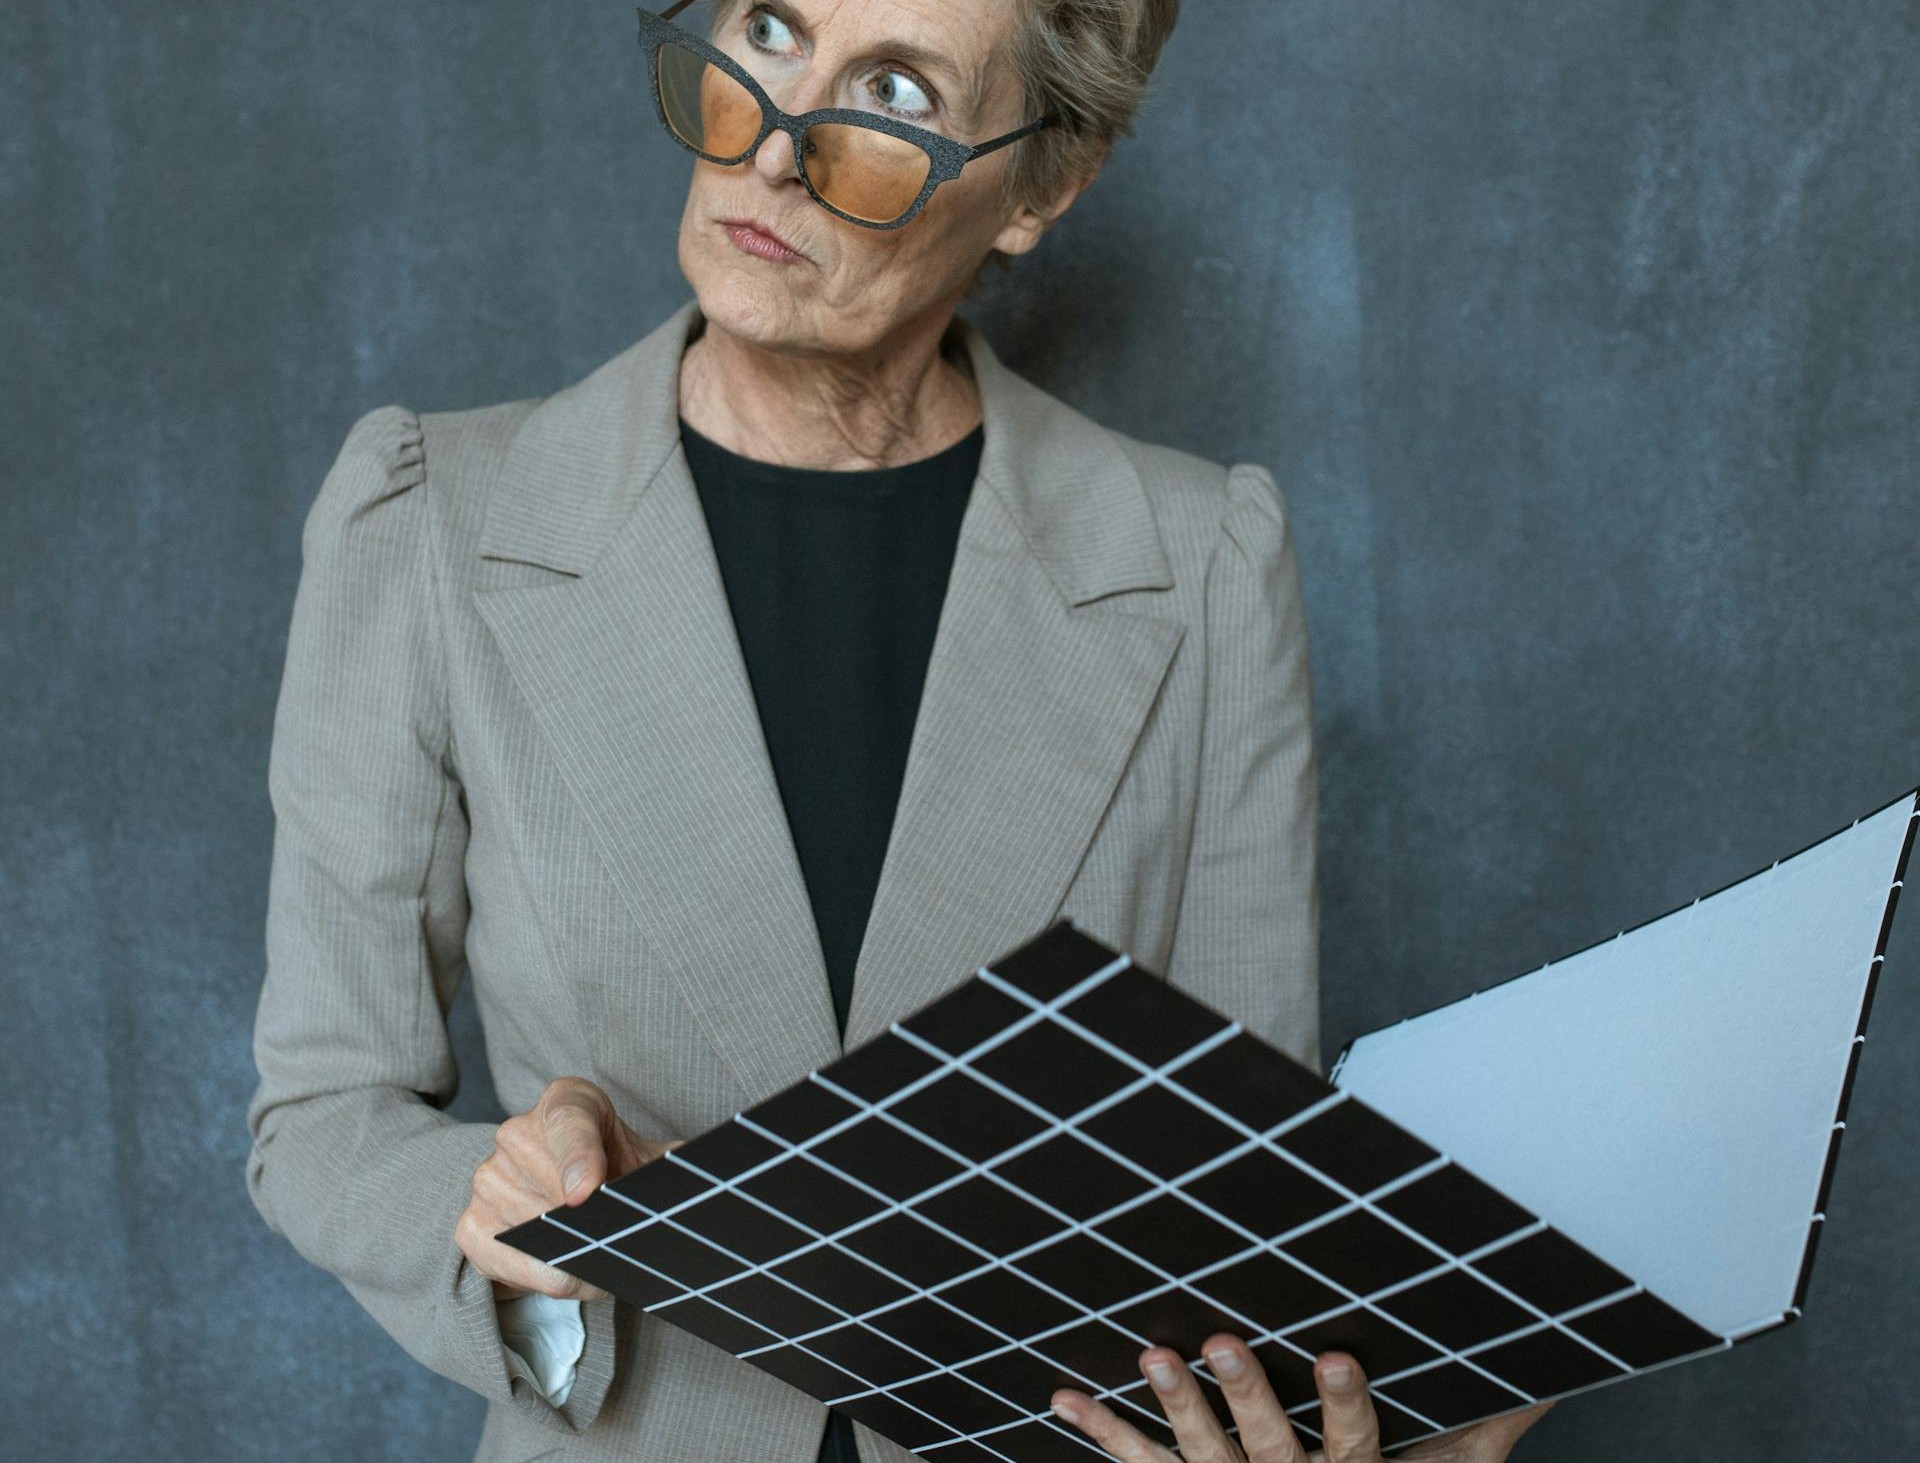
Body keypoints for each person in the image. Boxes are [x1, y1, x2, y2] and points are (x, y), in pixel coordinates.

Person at [244, 2, 1555, 1461]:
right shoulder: (428, 518)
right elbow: (324, 1111)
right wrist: (509, 1212)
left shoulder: (1201, 559)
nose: (778, 147)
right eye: (769, 28)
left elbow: (1222, 1192)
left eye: (891, 87)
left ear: (1042, 186)